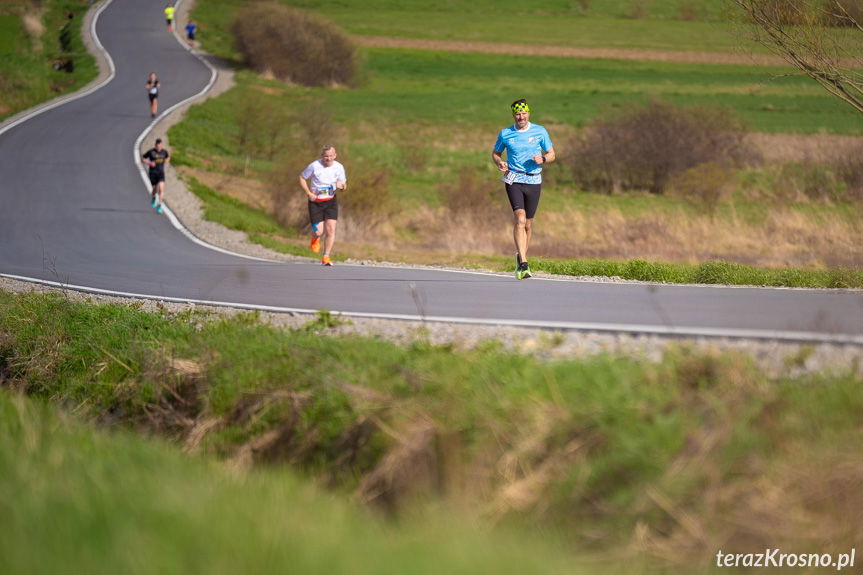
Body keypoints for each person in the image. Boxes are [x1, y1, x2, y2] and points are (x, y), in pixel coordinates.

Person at [491, 98, 555, 280]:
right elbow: (495, 153)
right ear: (513, 115)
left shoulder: (540, 131)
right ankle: (525, 263)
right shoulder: (506, 134)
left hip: (534, 181)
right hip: (514, 180)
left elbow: (552, 154)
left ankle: (521, 258)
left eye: (524, 113)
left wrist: (543, 159)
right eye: (518, 114)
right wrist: (500, 162)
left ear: (528, 113)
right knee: (519, 218)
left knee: (528, 224)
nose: (521, 117)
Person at [298, 146, 347, 266]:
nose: (328, 158)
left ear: (335, 155)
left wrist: (342, 186)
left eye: (331, 156)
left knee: (331, 229)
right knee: (319, 231)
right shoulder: (314, 166)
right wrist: (308, 193)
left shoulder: (339, 167)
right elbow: (302, 177)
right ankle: (315, 238)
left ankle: (326, 257)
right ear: (322, 156)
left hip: (331, 201)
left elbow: (344, 185)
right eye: (326, 156)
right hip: (316, 202)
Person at [142, 138, 170, 214]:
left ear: (162, 145)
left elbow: (168, 157)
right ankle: (154, 197)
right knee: (155, 189)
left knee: (161, 189)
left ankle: (159, 205)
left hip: (161, 173)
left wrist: (167, 160)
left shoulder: (164, 152)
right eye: (157, 146)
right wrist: (149, 163)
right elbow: (143, 158)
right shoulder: (151, 152)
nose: (159, 148)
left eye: (160, 146)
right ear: (155, 146)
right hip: (153, 173)